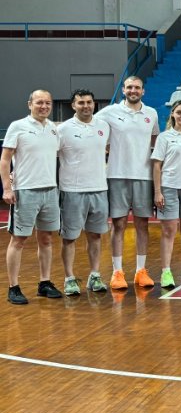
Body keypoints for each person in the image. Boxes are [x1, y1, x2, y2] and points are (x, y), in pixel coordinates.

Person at [95, 76, 159, 289]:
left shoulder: (151, 114)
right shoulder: (109, 112)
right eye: (129, 87)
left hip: (144, 175)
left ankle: (141, 271)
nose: (133, 90)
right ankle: (117, 272)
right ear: (123, 90)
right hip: (117, 175)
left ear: (143, 91)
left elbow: (155, 140)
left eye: (137, 87)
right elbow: (91, 126)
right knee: (119, 224)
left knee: (142, 224)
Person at [2, 90, 62, 304]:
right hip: (25, 191)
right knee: (18, 240)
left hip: (50, 191)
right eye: (39, 102)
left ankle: (44, 283)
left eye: (48, 103)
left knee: (46, 239)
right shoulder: (17, 126)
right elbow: (5, 159)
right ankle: (13, 287)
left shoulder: (53, 128)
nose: (44, 106)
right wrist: (7, 188)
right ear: (30, 104)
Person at [57, 89, 111, 295]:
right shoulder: (63, 129)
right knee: (69, 237)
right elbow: (48, 153)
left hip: (99, 188)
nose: (86, 106)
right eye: (81, 103)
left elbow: (107, 149)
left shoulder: (103, 126)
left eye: (89, 102)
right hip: (72, 190)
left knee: (95, 236)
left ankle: (95, 275)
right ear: (73, 105)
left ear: (94, 104)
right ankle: (69, 278)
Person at [151, 100, 181, 288]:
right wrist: (157, 191)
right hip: (169, 186)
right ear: (172, 114)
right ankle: (166, 272)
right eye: (179, 112)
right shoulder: (164, 137)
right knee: (168, 231)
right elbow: (157, 165)